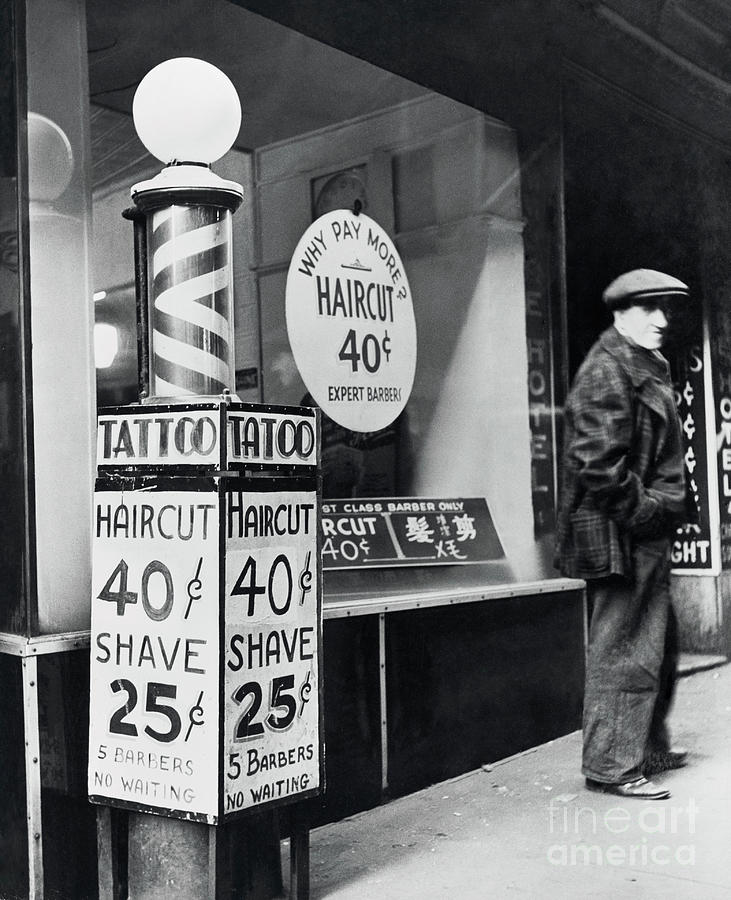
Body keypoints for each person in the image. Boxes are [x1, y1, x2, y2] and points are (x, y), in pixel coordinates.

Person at [555, 269, 691, 800]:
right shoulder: (606, 369)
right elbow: (597, 464)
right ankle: (612, 765)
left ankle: (647, 748)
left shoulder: (639, 362)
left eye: (666, 309)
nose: (662, 320)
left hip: (643, 531)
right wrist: (650, 511)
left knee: (659, 643)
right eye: (649, 309)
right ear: (621, 312)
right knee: (625, 646)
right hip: (624, 534)